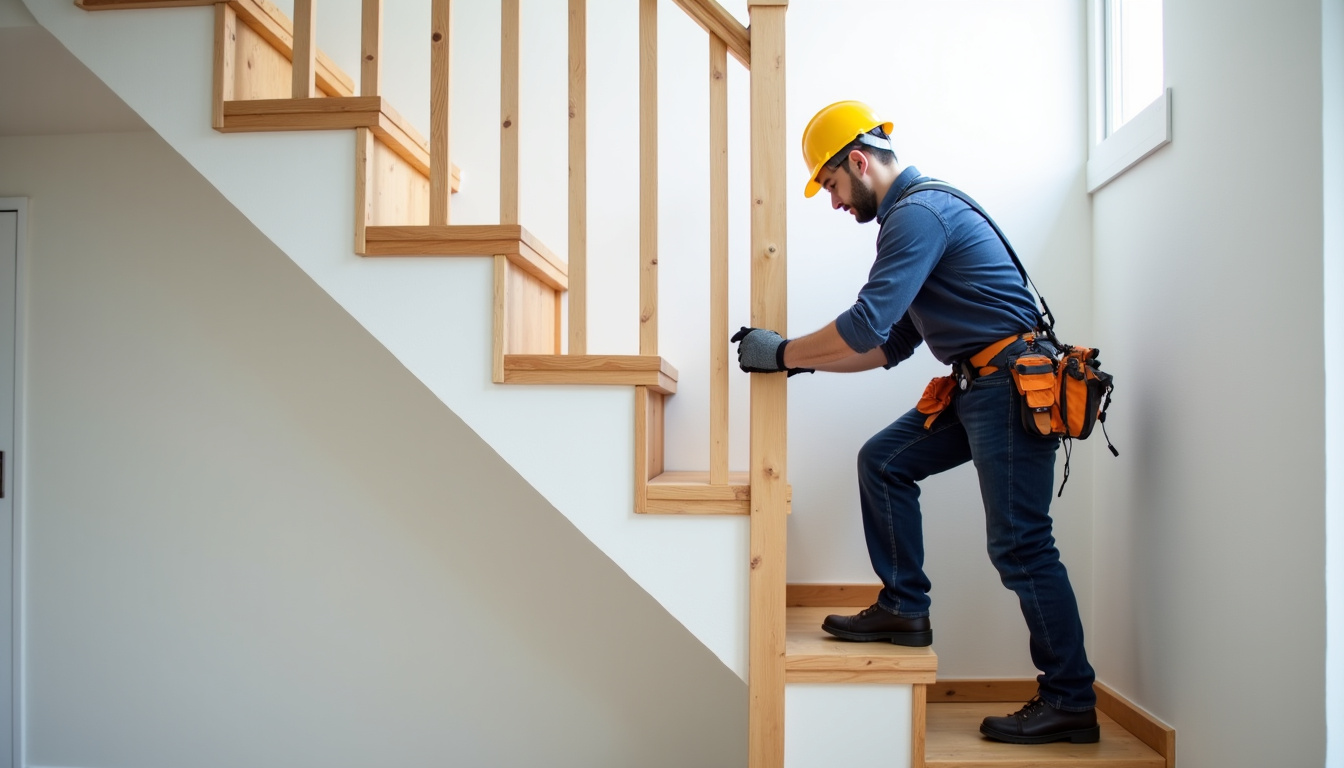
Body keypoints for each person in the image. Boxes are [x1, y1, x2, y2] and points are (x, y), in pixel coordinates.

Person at [732, 100, 1099, 745]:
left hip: (1010, 386)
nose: (836, 202)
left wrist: (783, 352)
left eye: (834, 186)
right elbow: (889, 345)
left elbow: (863, 324)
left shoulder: (916, 215)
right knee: (885, 460)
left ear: (858, 160)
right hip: (979, 384)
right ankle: (903, 607)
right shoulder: (916, 216)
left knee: (1021, 546)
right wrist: (796, 367)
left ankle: (1070, 700)